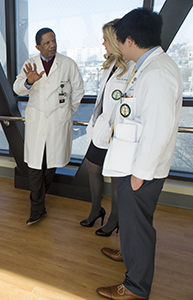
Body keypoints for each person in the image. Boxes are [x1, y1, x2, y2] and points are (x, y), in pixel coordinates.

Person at [97, 8, 182, 300]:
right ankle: (130, 253)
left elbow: (158, 129)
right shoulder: (144, 67)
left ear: (130, 40)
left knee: (139, 227)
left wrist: (140, 174)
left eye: (119, 40)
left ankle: (135, 287)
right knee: (133, 226)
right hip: (130, 163)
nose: (118, 46)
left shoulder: (157, 73)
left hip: (141, 170)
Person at [13, 28, 84, 225]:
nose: (52, 45)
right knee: (35, 165)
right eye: (47, 43)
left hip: (58, 121)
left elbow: (78, 90)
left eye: (54, 41)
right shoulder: (30, 64)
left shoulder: (68, 64)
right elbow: (17, 88)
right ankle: (36, 208)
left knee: (50, 165)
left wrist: (69, 111)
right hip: (37, 122)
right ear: (38, 46)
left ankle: (38, 202)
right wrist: (29, 81)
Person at [80, 20, 135, 236]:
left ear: (114, 39)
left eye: (105, 39)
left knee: (116, 176)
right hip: (101, 129)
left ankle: (115, 218)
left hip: (117, 133)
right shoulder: (111, 64)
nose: (103, 43)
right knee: (93, 167)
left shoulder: (131, 67)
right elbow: (102, 100)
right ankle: (96, 209)